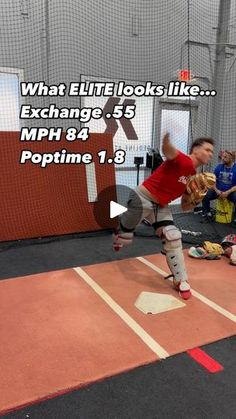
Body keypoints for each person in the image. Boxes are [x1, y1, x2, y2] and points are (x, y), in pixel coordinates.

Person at [113, 134, 214, 300]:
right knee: (126, 232)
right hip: (142, 199)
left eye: (212, 151)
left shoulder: (193, 176)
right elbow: (168, 150)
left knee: (173, 236)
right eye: (207, 149)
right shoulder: (182, 159)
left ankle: (181, 280)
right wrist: (166, 138)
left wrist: (198, 197)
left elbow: (185, 206)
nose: (210, 154)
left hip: (161, 207)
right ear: (195, 150)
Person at [202, 150, 236, 225]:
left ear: (231, 158)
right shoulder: (219, 167)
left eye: (225, 157)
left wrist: (228, 192)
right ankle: (207, 214)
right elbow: (213, 181)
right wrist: (217, 190)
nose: (223, 159)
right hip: (218, 191)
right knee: (204, 195)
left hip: (230, 192)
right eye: (222, 157)